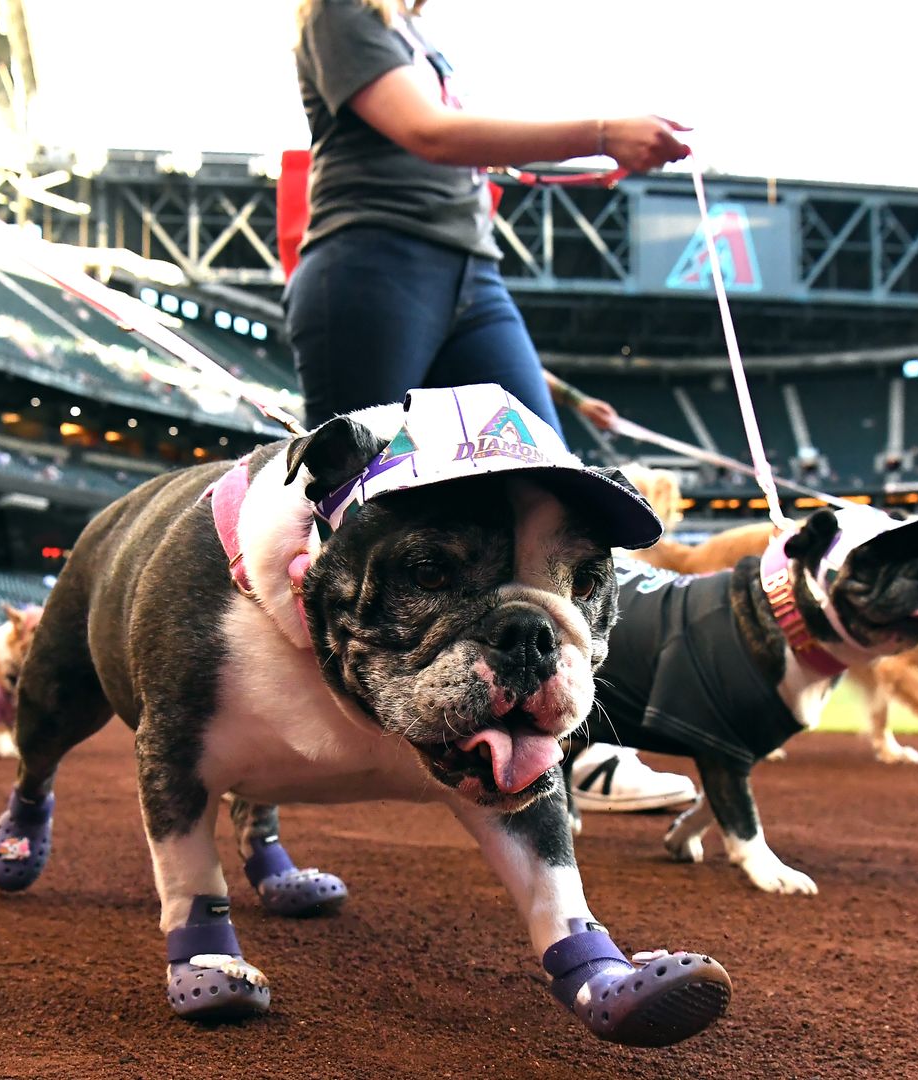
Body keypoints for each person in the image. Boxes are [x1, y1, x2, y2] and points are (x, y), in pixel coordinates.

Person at [288, 0, 696, 814]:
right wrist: (605, 130)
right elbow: (430, 135)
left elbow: (449, 148)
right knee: (350, 514)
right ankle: (291, 740)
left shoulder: (421, 40)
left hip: (471, 272)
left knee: (550, 482)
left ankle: (573, 747)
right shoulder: (338, 13)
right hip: (371, 259)